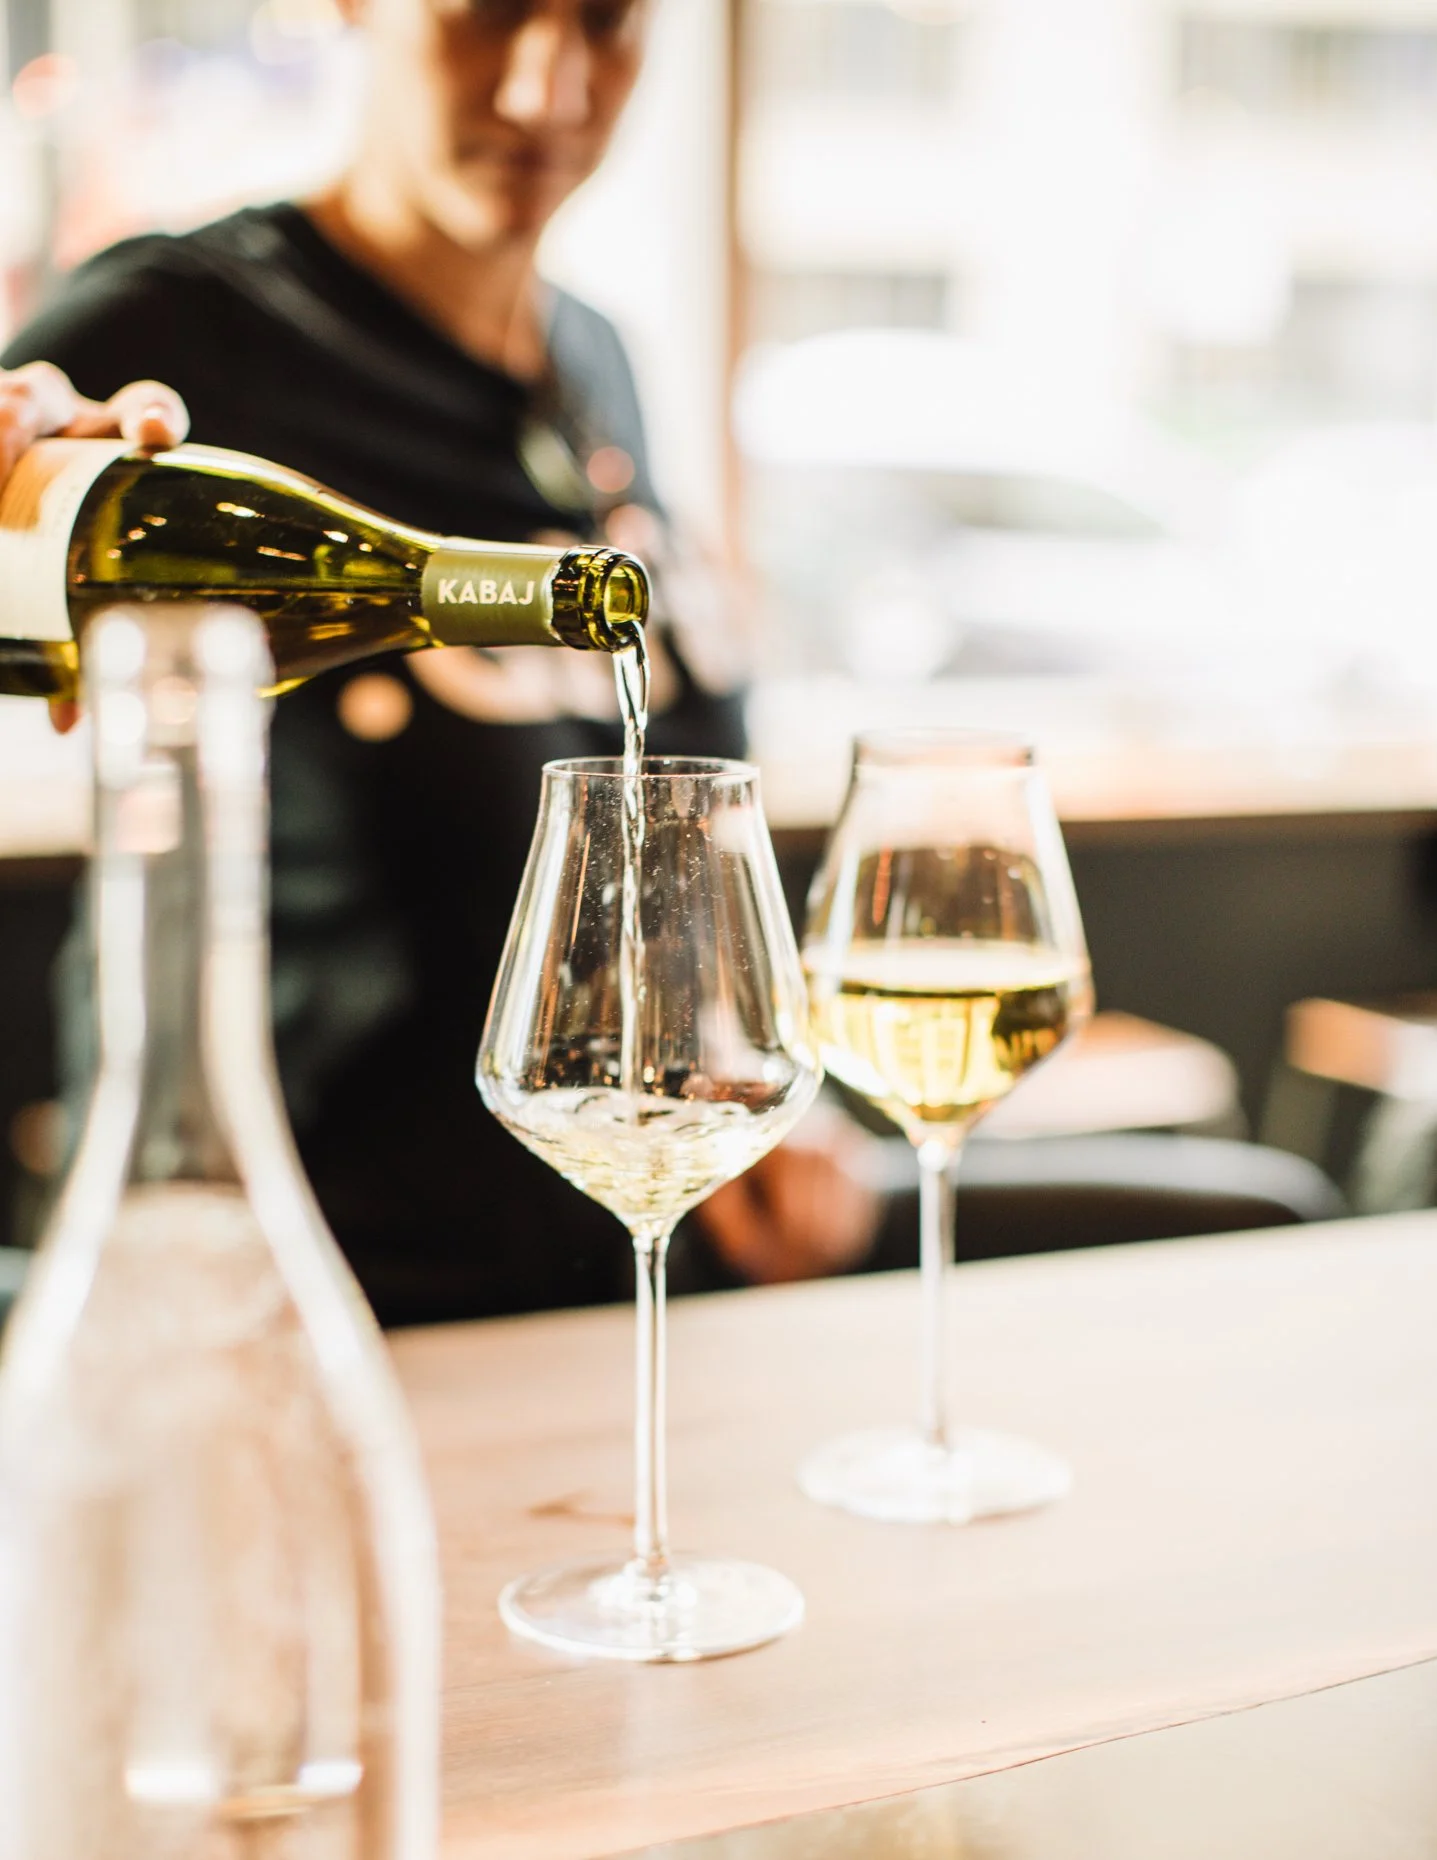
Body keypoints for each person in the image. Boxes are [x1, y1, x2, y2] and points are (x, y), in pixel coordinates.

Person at [0, 0, 880, 1325]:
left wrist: (784, 1109)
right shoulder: (174, 335)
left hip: (628, 1287)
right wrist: (27, 473)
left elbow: (659, 856)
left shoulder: (597, 366)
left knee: (1233, 1208)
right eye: (488, 13)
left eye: (607, 21)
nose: (547, 88)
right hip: (310, 1302)